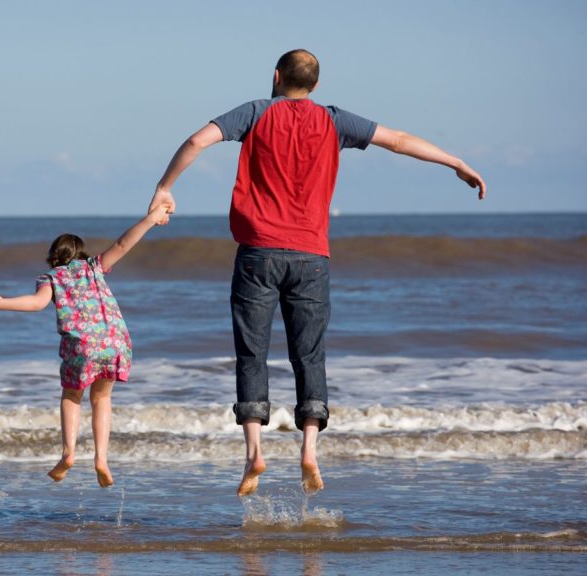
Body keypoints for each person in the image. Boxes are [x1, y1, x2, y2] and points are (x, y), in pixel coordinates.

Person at [147, 49, 486, 497]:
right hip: (311, 255)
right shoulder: (334, 120)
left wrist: (164, 187)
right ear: (316, 85)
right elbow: (399, 140)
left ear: (276, 75)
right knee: (309, 356)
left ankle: (254, 453)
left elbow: (195, 141)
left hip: (257, 254)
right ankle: (309, 450)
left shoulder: (253, 112)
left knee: (252, 353)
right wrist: (456, 163)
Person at [0, 205, 171, 487]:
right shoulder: (95, 266)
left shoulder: (52, 277)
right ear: (81, 254)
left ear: (54, 257)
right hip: (116, 341)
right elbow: (124, 242)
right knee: (102, 398)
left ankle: (68, 455)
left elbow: (36, 304)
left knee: (71, 396)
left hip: (84, 346)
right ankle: (101, 459)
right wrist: (152, 219)